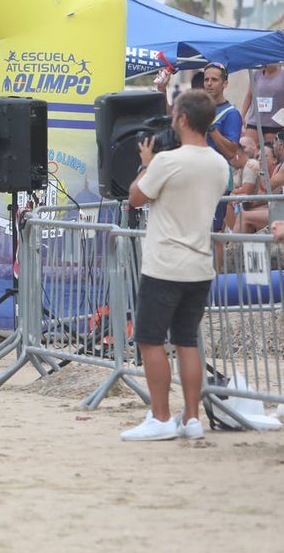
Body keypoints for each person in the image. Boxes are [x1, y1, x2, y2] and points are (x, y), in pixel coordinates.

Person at [121, 89, 229, 441]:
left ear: (182, 119)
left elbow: (136, 197)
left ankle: (161, 416)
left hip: (165, 263)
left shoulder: (168, 162)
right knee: (187, 341)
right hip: (200, 263)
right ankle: (192, 417)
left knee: (150, 339)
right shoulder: (219, 163)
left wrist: (147, 162)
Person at [201, 62, 247, 234]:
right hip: (197, 176)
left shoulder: (231, 113)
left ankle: (216, 262)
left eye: (214, 79)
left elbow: (231, 151)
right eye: (206, 80)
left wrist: (211, 128)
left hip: (216, 178)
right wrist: (163, 91)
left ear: (225, 84)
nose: (209, 83)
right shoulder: (199, 108)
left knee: (213, 232)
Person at [241, 62, 284, 146]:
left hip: (274, 124)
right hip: (255, 121)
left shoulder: (282, 76)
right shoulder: (256, 74)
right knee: (249, 148)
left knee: (270, 151)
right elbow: (249, 96)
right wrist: (242, 115)